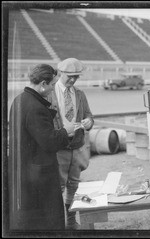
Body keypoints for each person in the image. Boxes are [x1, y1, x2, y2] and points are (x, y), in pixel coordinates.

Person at [8, 64, 75, 230]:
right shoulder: (35, 107)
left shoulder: (19, 100)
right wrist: (66, 131)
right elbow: (49, 142)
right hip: (39, 174)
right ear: (43, 84)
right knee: (48, 220)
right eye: (52, 85)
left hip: (25, 169)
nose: (53, 89)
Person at [47, 58, 94, 230]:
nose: (73, 80)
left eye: (76, 77)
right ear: (60, 73)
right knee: (58, 186)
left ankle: (71, 220)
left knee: (74, 185)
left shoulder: (80, 94)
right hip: (58, 148)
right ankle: (58, 222)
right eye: (70, 76)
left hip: (76, 146)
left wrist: (89, 121)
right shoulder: (49, 93)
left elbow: (89, 115)